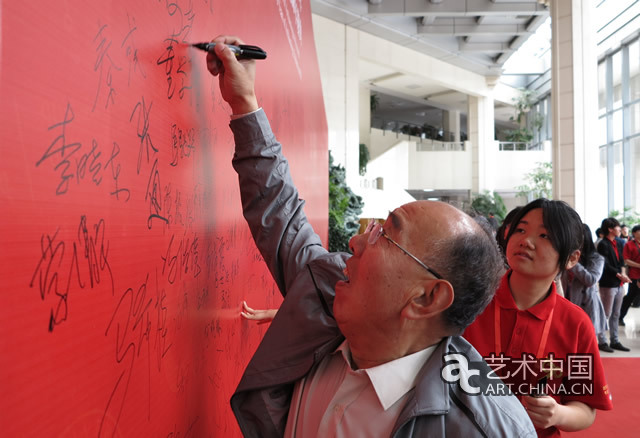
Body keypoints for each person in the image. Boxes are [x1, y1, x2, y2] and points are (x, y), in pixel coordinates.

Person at [206, 35, 536, 437]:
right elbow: (282, 217)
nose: (356, 243)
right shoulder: (329, 302)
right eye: (373, 228)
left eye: (386, 237)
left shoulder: (479, 429)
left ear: (427, 297)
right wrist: (245, 104)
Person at [463, 199, 613, 437]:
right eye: (520, 230)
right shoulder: (469, 300)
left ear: (572, 258)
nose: (526, 241)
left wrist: (557, 414)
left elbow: (585, 409)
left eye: (545, 236)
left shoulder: (575, 323)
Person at [561, 224, 608, 350]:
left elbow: (591, 280)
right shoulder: (565, 256)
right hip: (566, 301)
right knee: (568, 342)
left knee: (585, 343)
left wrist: (574, 263)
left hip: (586, 303)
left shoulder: (597, 258)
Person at [597, 217, 631, 351]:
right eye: (617, 227)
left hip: (619, 284)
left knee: (616, 314)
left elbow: (622, 262)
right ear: (610, 229)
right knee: (606, 313)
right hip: (608, 283)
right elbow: (605, 265)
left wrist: (623, 275)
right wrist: (619, 275)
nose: (620, 229)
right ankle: (602, 341)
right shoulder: (603, 244)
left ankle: (615, 340)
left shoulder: (619, 242)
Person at [619, 225, 640, 325]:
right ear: (634, 233)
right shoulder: (629, 244)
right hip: (634, 275)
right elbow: (626, 260)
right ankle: (620, 317)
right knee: (631, 296)